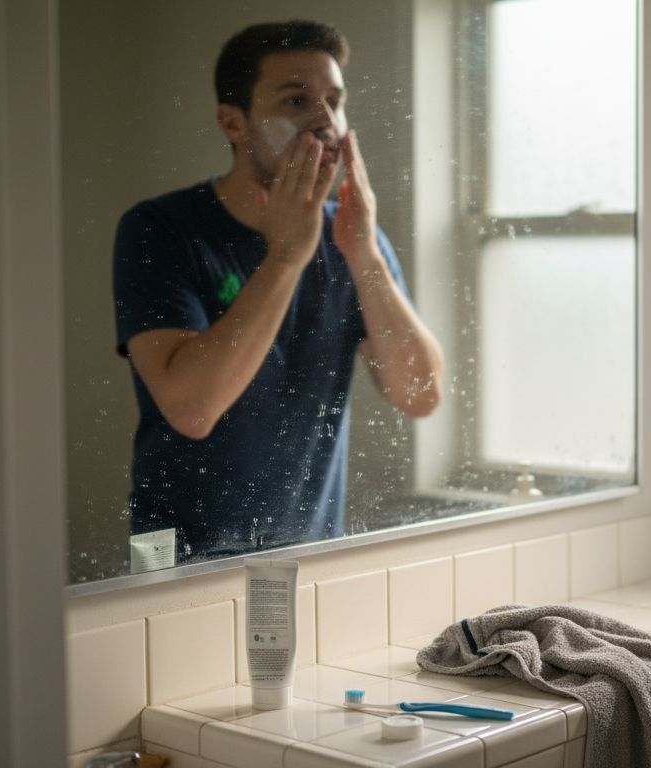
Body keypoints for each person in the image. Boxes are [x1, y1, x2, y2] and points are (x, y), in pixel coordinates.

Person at [113, 20, 444, 562]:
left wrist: (363, 254)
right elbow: (192, 410)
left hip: (309, 555)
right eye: (296, 101)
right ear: (233, 123)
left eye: (334, 101)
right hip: (173, 562)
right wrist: (288, 255)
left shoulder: (353, 238)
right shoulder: (160, 228)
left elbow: (420, 395)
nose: (325, 122)